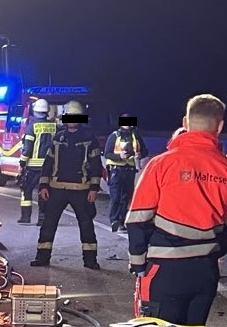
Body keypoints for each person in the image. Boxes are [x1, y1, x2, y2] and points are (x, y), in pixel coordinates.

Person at [123, 95, 227, 327]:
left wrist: (138, 264)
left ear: (185, 122)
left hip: (162, 269)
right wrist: (209, 250)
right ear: (219, 127)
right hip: (205, 271)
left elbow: (138, 219)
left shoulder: (161, 164)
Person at [32, 101, 103, 269]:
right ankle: (42, 257)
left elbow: (95, 165)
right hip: (57, 188)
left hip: (81, 190)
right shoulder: (58, 137)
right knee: (48, 224)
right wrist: (43, 186)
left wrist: (94, 188)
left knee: (86, 225)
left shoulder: (89, 139)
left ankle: (90, 260)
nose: (72, 120)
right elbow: (48, 164)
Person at [17, 98, 57, 225]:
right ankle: (42, 218)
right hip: (48, 166)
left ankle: (25, 217)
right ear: (46, 111)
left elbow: (27, 149)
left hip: (33, 166)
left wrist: (22, 164)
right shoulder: (54, 126)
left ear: (35, 111)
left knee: (26, 190)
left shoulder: (32, 127)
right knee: (44, 192)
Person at [104, 116, 146, 232]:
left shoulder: (135, 136)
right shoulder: (114, 136)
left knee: (125, 198)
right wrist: (119, 156)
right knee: (115, 196)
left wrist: (139, 155)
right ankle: (114, 220)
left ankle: (121, 222)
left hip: (129, 170)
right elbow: (107, 153)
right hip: (116, 170)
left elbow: (145, 151)